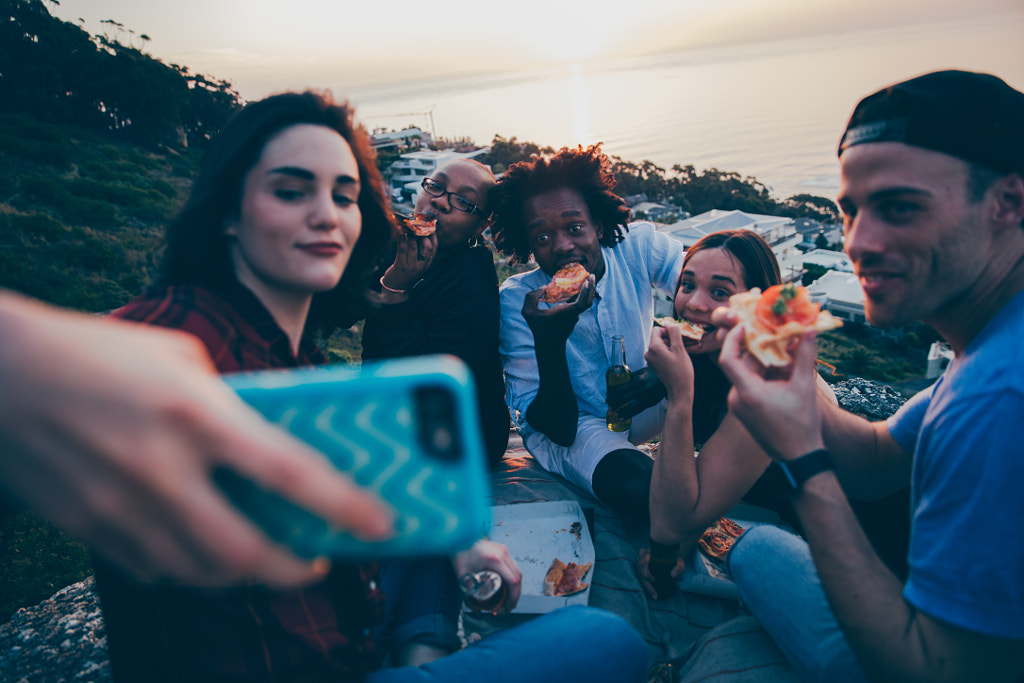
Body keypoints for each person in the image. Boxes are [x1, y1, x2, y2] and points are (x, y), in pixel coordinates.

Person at [92, 91, 647, 683]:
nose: (325, 215)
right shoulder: (173, 339)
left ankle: (426, 649)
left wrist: (462, 546)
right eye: (290, 191)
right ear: (228, 206)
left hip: (353, 612)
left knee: (448, 532)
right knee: (608, 640)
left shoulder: (288, 346)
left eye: (343, 195)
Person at [709, 70, 1024, 682]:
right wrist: (790, 375)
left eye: (899, 207)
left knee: (751, 547)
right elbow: (878, 460)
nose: (859, 242)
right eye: (849, 211)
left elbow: (931, 671)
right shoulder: (991, 344)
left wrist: (800, 459)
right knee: (761, 545)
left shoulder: (999, 397)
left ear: (1008, 203)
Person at [0, 289, 393, 588]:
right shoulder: (174, 324)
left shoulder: (302, 348)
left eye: (346, 207)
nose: (326, 217)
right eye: (290, 200)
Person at [490, 144, 686, 526]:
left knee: (732, 370)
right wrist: (549, 341)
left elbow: (713, 299)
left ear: (597, 224)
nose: (563, 245)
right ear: (529, 246)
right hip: (574, 425)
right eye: (542, 237)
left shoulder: (638, 247)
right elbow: (559, 428)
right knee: (647, 492)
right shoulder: (518, 301)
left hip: (642, 398)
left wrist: (668, 372)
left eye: (574, 227)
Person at [637, 230, 836, 598]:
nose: (694, 304)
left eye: (719, 292)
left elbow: (674, 522)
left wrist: (679, 394)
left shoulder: (769, 380)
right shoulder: (711, 354)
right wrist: (670, 554)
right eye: (687, 285)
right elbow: (690, 508)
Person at [358, 159, 510, 466]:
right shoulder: (402, 241)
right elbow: (339, 310)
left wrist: (395, 287)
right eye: (436, 187)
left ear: (479, 226)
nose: (440, 201)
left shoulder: (474, 287)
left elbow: (426, 383)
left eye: (463, 201)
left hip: (464, 437)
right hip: (396, 413)